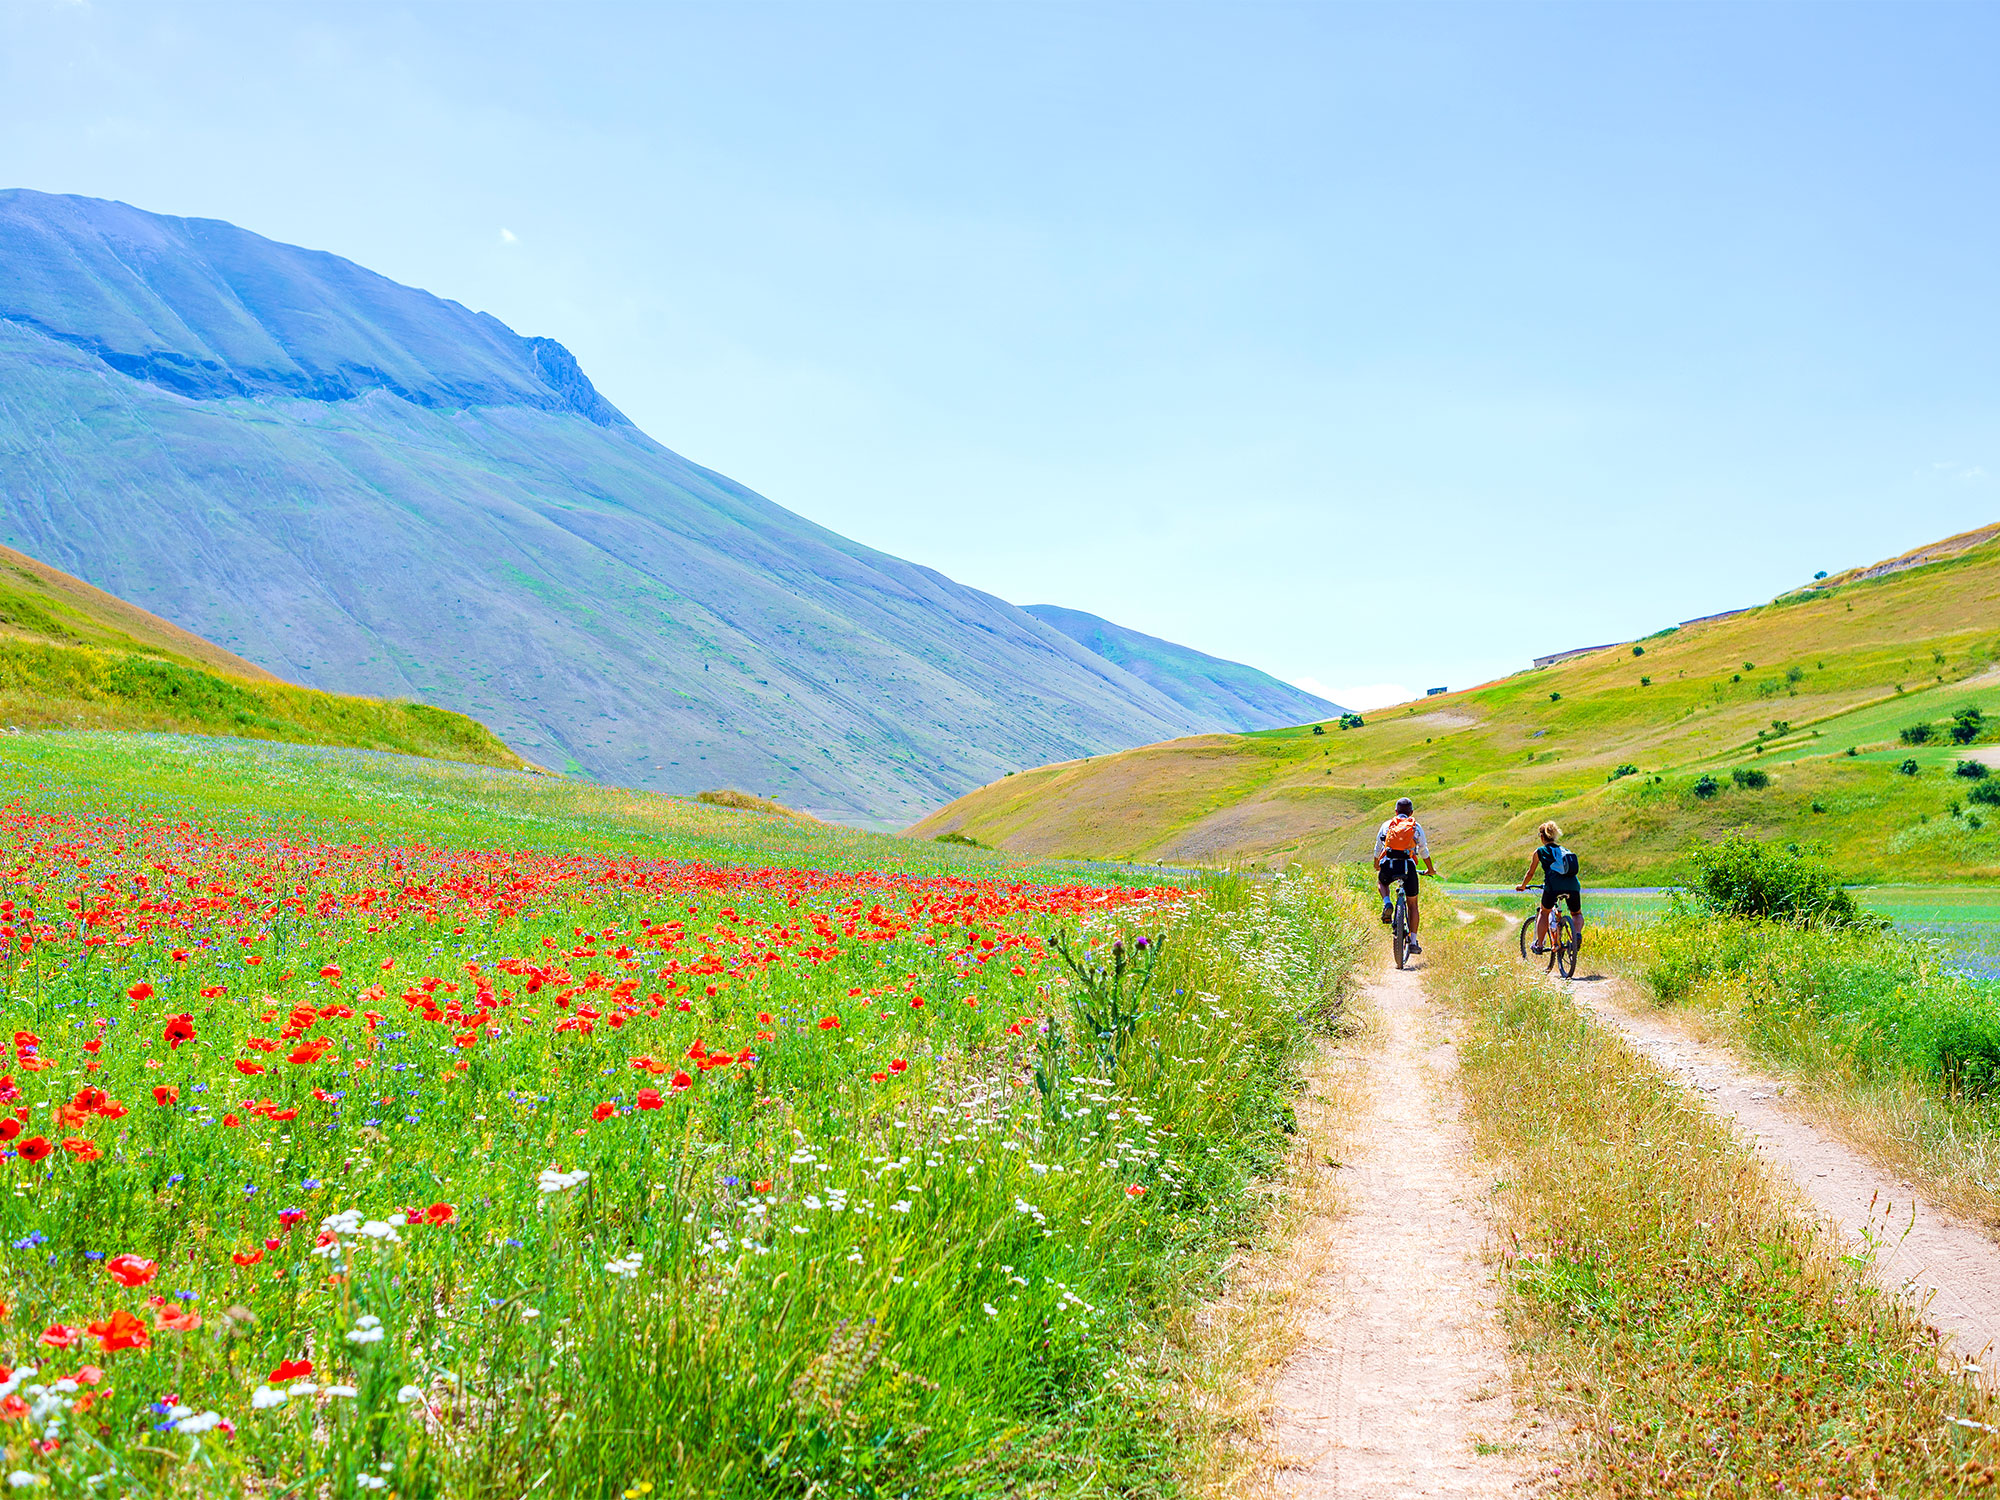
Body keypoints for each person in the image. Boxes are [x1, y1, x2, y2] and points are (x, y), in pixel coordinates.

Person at [1373, 797, 1437, 954]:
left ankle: (1387, 902)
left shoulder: (1387, 825)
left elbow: (1377, 848)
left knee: (1382, 883)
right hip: (1408, 867)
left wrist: (1377, 865)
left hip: (1389, 864)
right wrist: (1430, 869)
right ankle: (1413, 941)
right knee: (1413, 904)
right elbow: (1424, 851)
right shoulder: (1416, 827)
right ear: (1411, 813)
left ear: (1395, 812)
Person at [1515, 820, 1582, 954]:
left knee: (1544, 912)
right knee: (1576, 913)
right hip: (1573, 886)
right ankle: (1577, 935)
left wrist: (1522, 886)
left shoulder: (1540, 851)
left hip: (1553, 886)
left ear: (1542, 837)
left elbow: (1530, 873)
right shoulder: (1564, 850)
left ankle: (1539, 945)